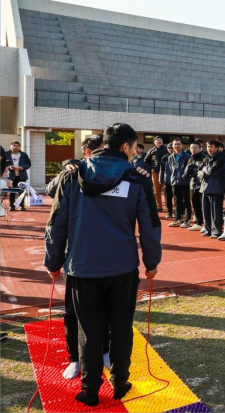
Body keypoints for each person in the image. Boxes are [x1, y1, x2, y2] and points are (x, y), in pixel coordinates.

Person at [44, 123, 161, 406]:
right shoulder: (135, 178)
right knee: (121, 327)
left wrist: (53, 261)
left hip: (83, 267)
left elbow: (56, 222)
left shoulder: (74, 174)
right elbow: (150, 225)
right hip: (122, 268)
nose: (134, 153)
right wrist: (151, 262)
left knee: (89, 330)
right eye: (134, 148)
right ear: (125, 147)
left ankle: (90, 389)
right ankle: (120, 382)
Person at [45, 134, 108, 380]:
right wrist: (66, 170)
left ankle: (105, 350)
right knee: (74, 311)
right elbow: (51, 192)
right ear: (88, 153)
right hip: (77, 255)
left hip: (108, 253)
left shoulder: (117, 172)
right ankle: (75, 358)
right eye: (101, 151)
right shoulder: (73, 173)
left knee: (106, 307)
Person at [198, 140, 225, 238]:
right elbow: (199, 168)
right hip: (205, 187)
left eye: (211, 147)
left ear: (217, 148)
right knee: (206, 210)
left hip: (216, 187)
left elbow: (211, 171)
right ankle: (208, 229)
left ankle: (216, 231)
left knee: (216, 211)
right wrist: (203, 169)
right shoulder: (206, 158)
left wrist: (204, 168)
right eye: (208, 147)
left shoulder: (221, 158)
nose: (209, 149)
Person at [166, 138, 192, 228]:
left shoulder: (187, 156)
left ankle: (187, 219)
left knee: (186, 201)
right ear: (172, 146)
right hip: (174, 182)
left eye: (179, 144)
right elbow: (170, 169)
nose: (177, 146)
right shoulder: (170, 157)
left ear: (182, 145)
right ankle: (177, 219)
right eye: (175, 144)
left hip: (185, 182)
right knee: (177, 201)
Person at [184, 142, 207, 232]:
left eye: (195, 148)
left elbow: (202, 172)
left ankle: (207, 224)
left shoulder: (204, 158)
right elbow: (187, 172)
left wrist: (193, 170)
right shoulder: (190, 159)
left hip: (202, 185)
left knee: (204, 205)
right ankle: (198, 223)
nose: (193, 149)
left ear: (200, 148)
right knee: (195, 204)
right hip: (192, 184)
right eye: (191, 148)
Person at [6, 141, 31, 211]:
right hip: (11, 176)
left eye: (17, 146)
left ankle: (21, 206)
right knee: (12, 191)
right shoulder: (6, 154)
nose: (16, 147)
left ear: (19, 147)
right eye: (14, 145)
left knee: (21, 191)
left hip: (22, 176)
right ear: (11, 146)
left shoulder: (23, 154)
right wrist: (9, 167)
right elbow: (3, 164)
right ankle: (12, 206)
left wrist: (22, 167)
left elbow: (28, 164)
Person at [145, 136, 168, 211]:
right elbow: (146, 160)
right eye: (157, 140)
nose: (159, 141)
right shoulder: (152, 150)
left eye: (160, 140)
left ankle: (168, 206)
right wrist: (151, 168)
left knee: (167, 190)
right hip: (156, 172)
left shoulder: (167, 149)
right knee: (156, 190)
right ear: (154, 142)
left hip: (166, 172)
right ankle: (159, 206)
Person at [159, 143, 175, 219]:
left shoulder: (177, 157)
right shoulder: (164, 157)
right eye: (169, 148)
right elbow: (161, 169)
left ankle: (177, 212)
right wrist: (161, 179)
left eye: (172, 148)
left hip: (176, 180)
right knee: (168, 197)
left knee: (177, 197)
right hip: (167, 180)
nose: (170, 149)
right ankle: (169, 212)